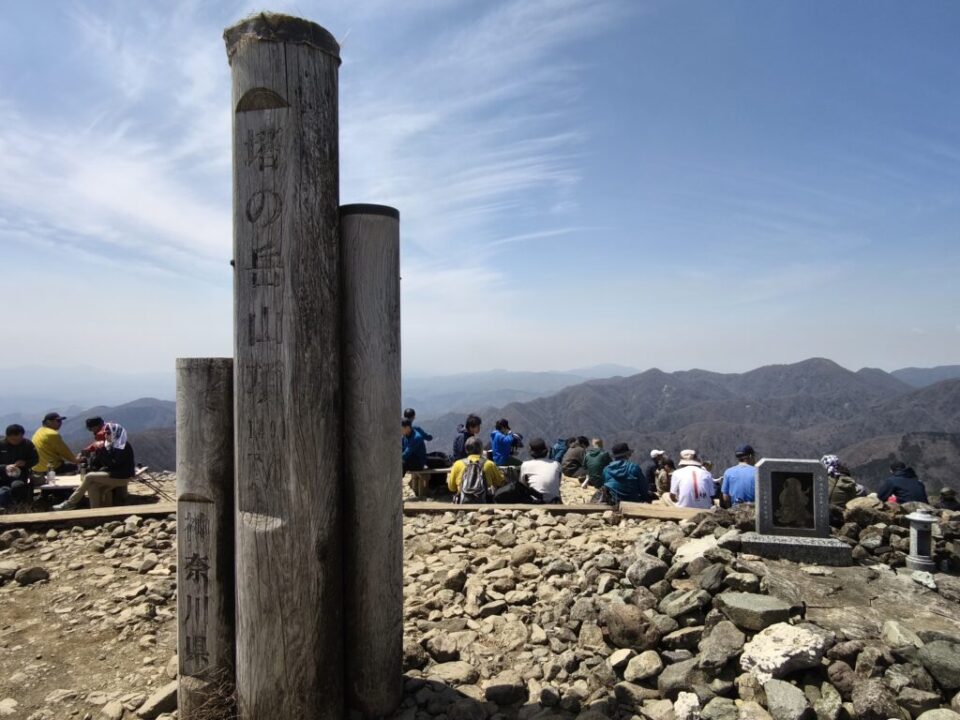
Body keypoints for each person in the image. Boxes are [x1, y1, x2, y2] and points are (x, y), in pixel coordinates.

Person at [53, 418, 135, 510]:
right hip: (115, 475)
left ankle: (70, 503)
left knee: (89, 476)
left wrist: (101, 450)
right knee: (92, 485)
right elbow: (107, 463)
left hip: (122, 477)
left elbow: (113, 464)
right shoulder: (112, 445)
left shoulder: (122, 446)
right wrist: (100, 451)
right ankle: (95, 511)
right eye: (106, 433)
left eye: (108, 433)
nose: (106, 435)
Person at [447, 436, 504, 503]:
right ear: (481, 450)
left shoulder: (457, 464)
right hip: (485, 502)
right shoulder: (489, 464)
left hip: (463, 502)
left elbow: (451, 488)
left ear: (466, 450)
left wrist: (448, 477)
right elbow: (500, 482)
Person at [1, 424, 39, 510]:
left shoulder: (27, 444)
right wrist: (5, 467)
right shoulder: (1, 445)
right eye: (13, 439)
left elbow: (35, 459)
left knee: (18, 486)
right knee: (3, 491)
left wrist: (25, 463)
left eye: (19, 439)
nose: (16, 442)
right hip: (2, 476)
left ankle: (19, 508)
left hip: (20, 475)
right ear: (7, 436)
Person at [514, 437, 562, 503]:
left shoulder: (525, 465)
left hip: (536, 501)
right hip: (554, 500)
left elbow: (523, 485)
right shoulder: (556, 464)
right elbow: (558, 483)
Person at [31, 412, 79, 476]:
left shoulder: (39, 431)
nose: (60, 423)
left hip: (36, 469)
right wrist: (77, 460)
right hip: (51, 469)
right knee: (78, 467)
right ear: (48, 422)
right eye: (58, 421)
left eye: (61, 421)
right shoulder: (52, 434)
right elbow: (65, 452)